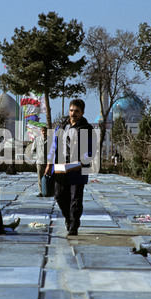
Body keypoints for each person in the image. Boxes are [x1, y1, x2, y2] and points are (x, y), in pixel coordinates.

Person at [45, 99, 94, 236]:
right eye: (71, 110)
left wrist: (79, 162)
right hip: (60, 167)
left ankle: (73, 226)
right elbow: (53, 146)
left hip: (78, 169)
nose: (73, 113)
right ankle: (68, 218)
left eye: (76, 111)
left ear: (82, 112)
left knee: (76, 199)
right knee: (59, 196)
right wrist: (49, 163)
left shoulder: (86, 128)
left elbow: (90, 150)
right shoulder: (61, 126)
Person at [32, 126, 48, 197]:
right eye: (42, 131)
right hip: (40, 162)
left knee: (49, 177)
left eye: (45, 131)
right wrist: (36, 158)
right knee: (40, 178)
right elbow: (33, 150)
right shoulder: (37, 140)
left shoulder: (50, 140)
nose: (44, 132)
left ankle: (48, 191)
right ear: (41, 132)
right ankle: (41, 191)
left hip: (48, 163)